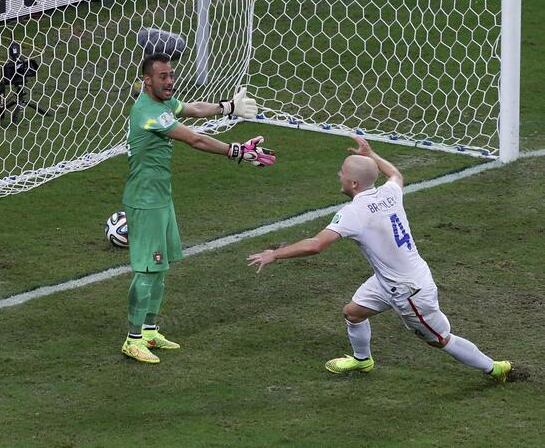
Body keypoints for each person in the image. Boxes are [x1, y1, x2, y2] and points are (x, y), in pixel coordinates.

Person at [247, 137, 511, 382]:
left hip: (409, 291)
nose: (339, 175)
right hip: (391, 278)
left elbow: (316, 245)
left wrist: (275, 254)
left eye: (343, 173)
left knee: (440, 339)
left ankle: (493, 367)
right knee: (352, 313)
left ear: (352, 184)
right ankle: (363, 361)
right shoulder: (388, 193)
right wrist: (372, 154)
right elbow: (396, 174)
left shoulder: (354, 212)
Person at [121, 52, 276, 364]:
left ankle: (150, 331)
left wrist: (227, 107)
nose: (169, 81)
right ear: (147, 80)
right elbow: (195, 140)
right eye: (162, 77)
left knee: (160, 269)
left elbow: (194, 110)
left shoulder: (165, 103)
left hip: (161, 198)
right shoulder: (148, 112)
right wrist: (236, 151)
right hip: (145, 201)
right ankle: (132, 338)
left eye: (171, 75)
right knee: (146, 270)